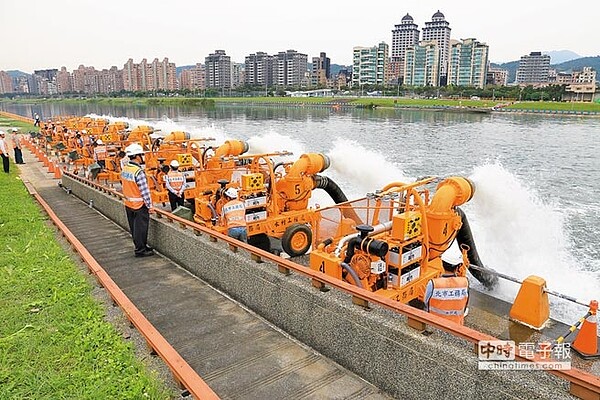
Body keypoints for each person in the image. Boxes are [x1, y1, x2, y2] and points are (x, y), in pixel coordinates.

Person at [121, 143, 154, 257]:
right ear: (137, 156)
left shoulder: (126, 168)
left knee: (134, 228)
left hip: (128, 203)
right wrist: (150, 206)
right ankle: (140, 250)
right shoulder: (138, 172)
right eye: (141, 155)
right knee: (141, 228)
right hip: (139, 205)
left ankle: (141, 246)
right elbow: (145, 191)